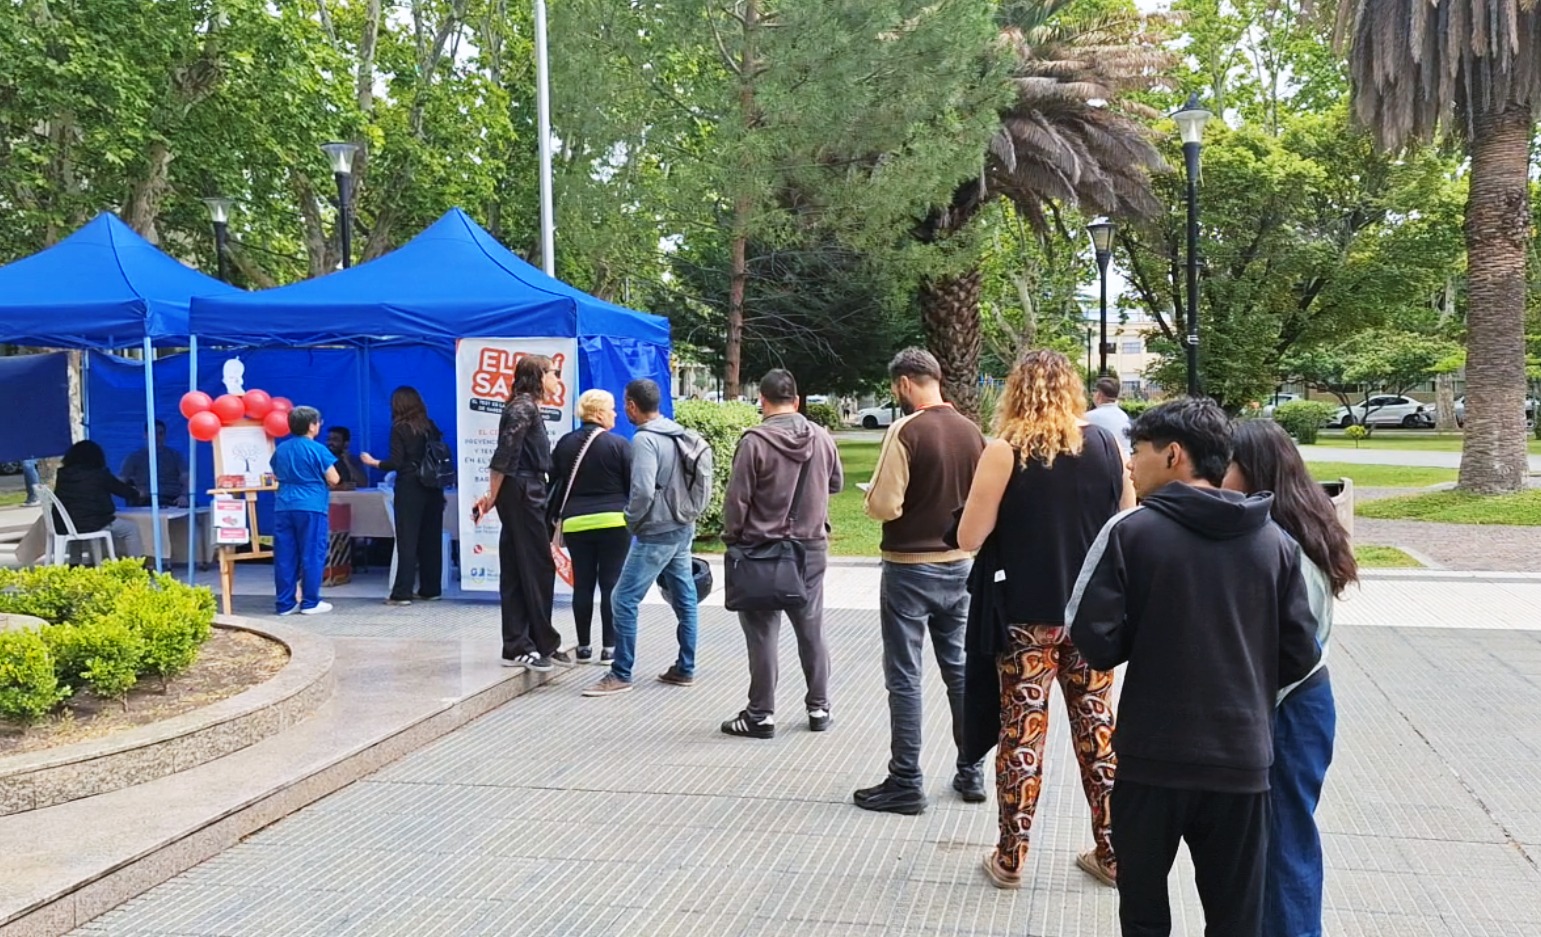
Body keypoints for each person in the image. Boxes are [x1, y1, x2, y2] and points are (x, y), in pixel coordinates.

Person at [1066, 398, 1321, 937]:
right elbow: (1300, 654)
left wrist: (1154, 634)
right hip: (1243, 762)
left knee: (1143, 916)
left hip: (1150, 760)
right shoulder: (1275, 541)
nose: (1130, 464)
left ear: (1174, 454)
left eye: (1137, 451)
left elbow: (1093, 637)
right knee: (1236, 920)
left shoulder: (1132, 532)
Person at [954, 349, 1134, 889]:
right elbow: (1127, 526)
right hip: (1090, 621)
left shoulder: (1004, 451)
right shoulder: (1105, 446)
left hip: (1027, 620)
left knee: (1023, 734)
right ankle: (1114, 853)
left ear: (1016, 392)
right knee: (1098, 731)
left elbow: (969, 538)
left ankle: (1010, 858)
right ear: (1073, 391)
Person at [1224, 419, 1356, 937]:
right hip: (1293, 703)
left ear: (1253, 471)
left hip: (1290, 707)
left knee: (1283, 845)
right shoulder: (1290, 529)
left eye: (1225, 465)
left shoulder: (1282, 544)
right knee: (1274, 843)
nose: (1216, 476)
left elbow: (1290, 652)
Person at [855, 347, 987, 815]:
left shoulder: (906, 430)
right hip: (961, 563)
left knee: (905, 675)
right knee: (959, 669)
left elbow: (887, 505)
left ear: (904, 384)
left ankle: (906, 778)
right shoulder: (972, 432)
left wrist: (870, 498)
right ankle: (971, 768)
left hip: (910, 565)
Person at [719, 369, 843, 738]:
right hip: (811, 547)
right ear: (798, 400)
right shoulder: (823, 438)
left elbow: (737, 499)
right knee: (811, 628)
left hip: (762, 549)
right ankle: (819, 708)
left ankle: (761, 714)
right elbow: (834, 483)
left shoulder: (754, 442)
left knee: (762, 633)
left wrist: (734, 538)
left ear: (762, 399)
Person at [583, 378, 711, 697]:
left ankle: (621, 672)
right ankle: (685, 668)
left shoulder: (645, 440)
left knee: (623, 599)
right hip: (683, 526)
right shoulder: (675, 432)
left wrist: (631, 520)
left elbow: (641, 490)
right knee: (685, 598)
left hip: (657, 532)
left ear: (630, 405)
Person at [473, 355, 567, 672]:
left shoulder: (525, 406)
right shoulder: (522, 406)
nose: (558, 380)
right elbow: (504, 455)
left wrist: (493, 496)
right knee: (536, 566)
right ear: (539, 376)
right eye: (554, 374)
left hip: (524, 489)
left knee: (518, 566)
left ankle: (525, 641)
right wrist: (492, 497)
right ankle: (531, 643)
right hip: (523, 491)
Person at [549, 389, 632, 663]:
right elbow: (632, 484)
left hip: (576, 523)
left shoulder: (565, 444)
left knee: (582, 584)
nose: (615, 414)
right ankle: (610, 648)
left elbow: (555, 482)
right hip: (614, 522)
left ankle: (583, 647)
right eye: (611, 409)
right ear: (598, 413)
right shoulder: (619, 445)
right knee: (610, 585)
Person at [361, 388, 448, 606]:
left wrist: (374, 462)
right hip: (433, 487)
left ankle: (402, 592)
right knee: (431, 539)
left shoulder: (400, 428)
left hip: (410, 487)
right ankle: (431, 588)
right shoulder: (431, 426)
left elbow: (396, 462)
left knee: (407, 539)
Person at [271, 406, 340, 616]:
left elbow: (275, 472)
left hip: (283, 505)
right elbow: (334, 478)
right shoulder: (318, 449)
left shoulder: (281, 449)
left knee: (285, 555)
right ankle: (310, 602)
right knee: (312, 554)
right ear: (311, 426)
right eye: (318, 422)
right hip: (312, 506)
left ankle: (285, 604)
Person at [50, 441, 145, 560]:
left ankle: (74, 564)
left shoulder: (63, 475)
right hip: (94, 523)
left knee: (73, 528)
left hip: (65, 524)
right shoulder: (100, 475)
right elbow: (123, 491)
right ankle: (135, 566)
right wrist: (139, 493)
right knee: (131, 530)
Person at [120, 420, 190, 507]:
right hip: (146, 500)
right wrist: (134, 493)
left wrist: (184, 496)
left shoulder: (175, 456)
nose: (157, 437)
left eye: (160, 434)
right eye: (153, 433)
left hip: (173, 499)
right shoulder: (134, 458)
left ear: (165, 436)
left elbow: (185, 478)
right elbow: (121, 481)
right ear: (145, 435)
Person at [1084, 377, 1132, 454]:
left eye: (1094, 391)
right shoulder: (1124, 417)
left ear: (1099, 394)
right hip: (1125, 460)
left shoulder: (1087, 417)